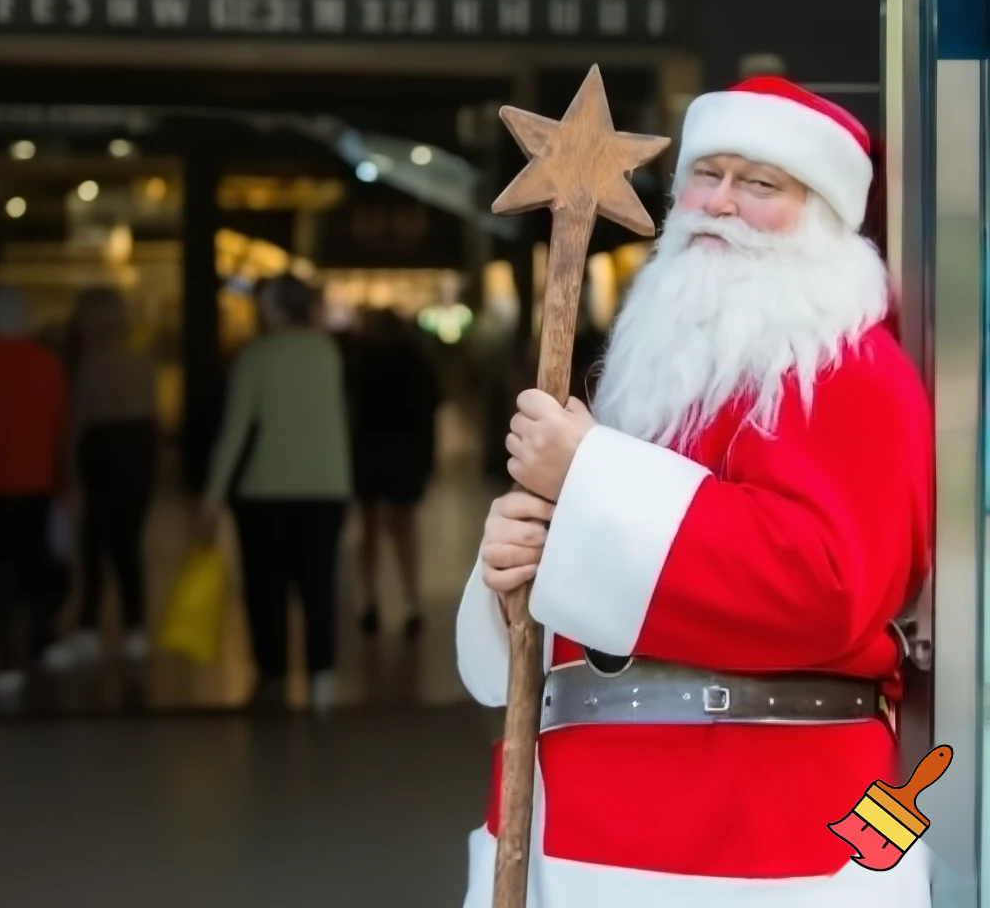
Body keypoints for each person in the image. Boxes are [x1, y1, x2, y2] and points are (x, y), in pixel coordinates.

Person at [455, 77, 933, 907]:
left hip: (757, 827)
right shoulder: (653, 372)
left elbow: (821, 584)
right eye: (706, 175)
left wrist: (590, 477)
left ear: (823, 215)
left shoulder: (855, 374)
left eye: (761, 184)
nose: (720, 204)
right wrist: (517, 561)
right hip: (576, 818)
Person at [201, 274, 352, 715]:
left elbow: (234, 432)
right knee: (319, 587)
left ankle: (272, 679)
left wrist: (212, 496)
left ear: (270, 309)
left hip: (265, 491)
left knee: (265, 589)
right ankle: (321, 682)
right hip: (326, 488)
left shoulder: (256, 356)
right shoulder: (327, 353)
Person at [42, 287, 157, 669]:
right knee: (128, 545)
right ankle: (135, 628)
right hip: (138, 455)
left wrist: (69, 477)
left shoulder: (83, 365)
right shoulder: (140, 362)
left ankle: (90, 627)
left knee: (94, 546)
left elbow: (74, 429)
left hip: (100, 456)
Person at [0, 285, 69, 702]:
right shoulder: (49, 365)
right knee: (37, 565)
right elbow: (63, 426)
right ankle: (40, 639)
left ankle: (6, 656)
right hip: (39, 483)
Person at [351, 308, 440, 638]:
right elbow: (428, 411)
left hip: (368, 451)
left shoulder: (362, 359)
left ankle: (369, 601)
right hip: (405, 454)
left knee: (369, 529)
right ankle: (412, 602)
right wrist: (427, 460)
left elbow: (352, 411)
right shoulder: (416, 362)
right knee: (404, 530)